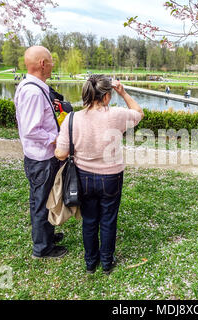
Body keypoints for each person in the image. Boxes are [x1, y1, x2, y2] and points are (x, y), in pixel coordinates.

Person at [55, 75, 144, 275]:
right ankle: (106, 262)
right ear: (106, 96)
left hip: (82, 177)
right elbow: (139, 113)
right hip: (111, 177)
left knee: (89, 220)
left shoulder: (72, 118)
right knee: (108, 220)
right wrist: (123, 92)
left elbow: (61, 153)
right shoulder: (117, 115)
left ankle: (90, 263)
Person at [14, 46, 67, 259]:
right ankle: (42, 248)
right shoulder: (33, 92)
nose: (53, 64)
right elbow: (30, 129)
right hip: (42, 157)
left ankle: (47, 235)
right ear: (43, 64)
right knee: (41, 201)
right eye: (51, 61)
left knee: (44, 198)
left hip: (42, 156)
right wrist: (55, 139)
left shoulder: (36, 87)